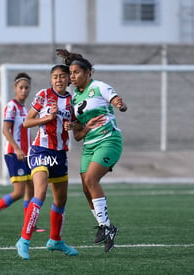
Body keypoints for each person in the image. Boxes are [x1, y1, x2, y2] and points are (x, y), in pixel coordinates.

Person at [56, 49, 127, 252]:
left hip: (109, 140)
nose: (72, 77)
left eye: (77, 72)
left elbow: (117, 101)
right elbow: (79, 136)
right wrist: (77, 127)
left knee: (91, 180)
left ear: (88, 73)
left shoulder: (99, 87)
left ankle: (105, 226)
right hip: (89, 145)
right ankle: (107, 227)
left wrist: (119, 104)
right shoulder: (73, 99)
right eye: (71, 73)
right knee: (86, 188)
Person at [15, 65, 78, 260]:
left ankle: (55, 240)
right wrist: (46, 118)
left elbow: (77, 129)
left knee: (60, 201)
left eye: (62, 76)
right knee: (40, 193)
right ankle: (24, 240)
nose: (59, 79)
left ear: (68, 79)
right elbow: (26, 122)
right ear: (51, 80)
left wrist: (73, 125)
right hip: (40, 151)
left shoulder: (72, 100)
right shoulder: (44, 95)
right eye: (55, 77)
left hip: (60, 154)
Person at [0, 73, 45, 233]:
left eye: (26, 87)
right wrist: (17, 148)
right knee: (19, 192)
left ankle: (29, 224)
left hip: (27, 154)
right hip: (14, 153)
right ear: (15, 89)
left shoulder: (25, 109)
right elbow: (5, 130)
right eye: (21, 87)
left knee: (31, 189)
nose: (24, 90)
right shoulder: (12, 106)